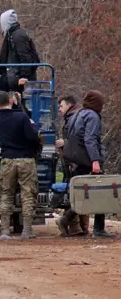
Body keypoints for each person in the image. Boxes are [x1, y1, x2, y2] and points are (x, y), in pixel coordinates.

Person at [60, 90, 114, 238]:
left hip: (77, 160)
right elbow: (90, 139)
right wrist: (95, 161)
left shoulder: (76, 115)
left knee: (81, 193)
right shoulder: (92, 116)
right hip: (89, 160)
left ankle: (65, 219)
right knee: (101, 192)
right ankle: (98, 229)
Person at [0, 91, 40, 239]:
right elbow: (32, 137)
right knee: (27, 195)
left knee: (6, 194)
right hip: (26, 159)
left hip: (7, 160)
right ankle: (26, 230)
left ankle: (5, 230)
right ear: (11, 101)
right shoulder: (22, 117)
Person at [54, 95, 87, 236]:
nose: (59, 109)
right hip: (78, 161)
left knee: (74, 193)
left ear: (69, 105)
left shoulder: (73, 119)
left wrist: (64, 143)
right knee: (81, 192)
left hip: (75, 161)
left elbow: (78, 141)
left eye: (61, 106)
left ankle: (74, 226)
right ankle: (81, 228)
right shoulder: (76, 117)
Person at [0, 9, 41, 92]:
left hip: (19, 79)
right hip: (14, 76)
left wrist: (24, 76)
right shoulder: (11, 36)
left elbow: (25, 57)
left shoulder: (18, 36)